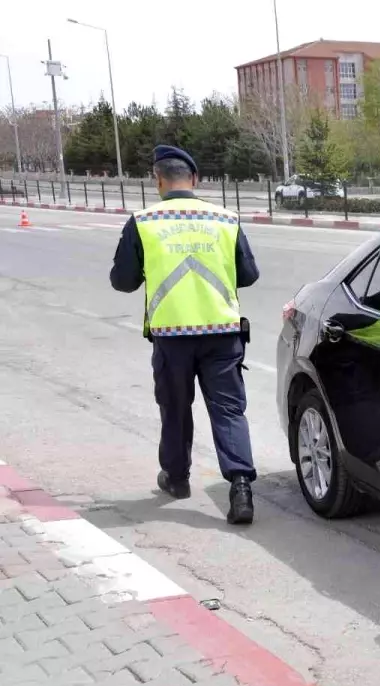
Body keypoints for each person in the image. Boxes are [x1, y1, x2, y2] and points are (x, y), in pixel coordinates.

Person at [110, 145, 259, 524]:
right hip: (223, 333)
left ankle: (176, 479)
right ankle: (241, 487)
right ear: (194, 180)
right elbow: (249, 275)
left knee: (175, 409)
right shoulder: (226, 219)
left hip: (172, 336)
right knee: (228, 410)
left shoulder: (143, 222)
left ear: (157, 180)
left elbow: (122, 281)